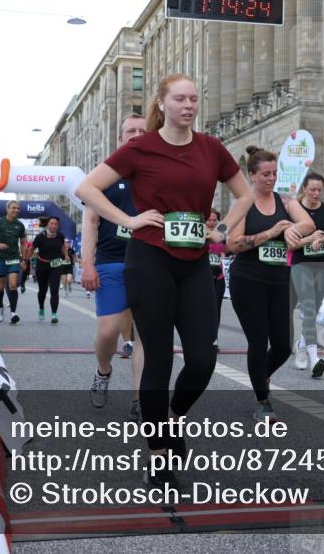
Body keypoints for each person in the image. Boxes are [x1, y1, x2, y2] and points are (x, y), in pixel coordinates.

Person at [76, 74, 254, 489]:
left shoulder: (210, 148)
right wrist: (129, 219)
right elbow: (88, 188)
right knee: (156, 358)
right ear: (163, 103)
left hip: (194, 263)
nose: (189, 105)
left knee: (203, 358)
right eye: (180, 98)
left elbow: (242, 194)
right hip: (149, 259)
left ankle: (172, 418)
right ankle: (157, 455)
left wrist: (223, 229)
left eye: (194, 98)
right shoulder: (140, 147)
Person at [227, 146, 315, 421]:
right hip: (248, 279)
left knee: (282, 345)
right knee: (258, 340)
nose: (271, 178)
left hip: (279, 279)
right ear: (251, 175)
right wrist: (271, 232)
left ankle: (260, 376)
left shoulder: (285, 200)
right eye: (266, 174)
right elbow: (233, 244)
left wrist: (290, 228)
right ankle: (262, 400)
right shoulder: (243, 204)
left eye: (275, 173)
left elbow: (308, 224)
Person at [81, 113, 148, 417]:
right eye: (129, 131)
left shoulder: (158, 176)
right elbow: (91, 222)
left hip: (150, 263)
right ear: (120, 139)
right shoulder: (105, 175)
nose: (135, 135)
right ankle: (103, 370)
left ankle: (139, 398)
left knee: (146, 334)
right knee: (108, 331)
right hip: (111, 263)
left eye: (141, 131)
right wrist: (87, 265)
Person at [288, 172, 324, 378]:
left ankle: (301, 344)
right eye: (312, 190)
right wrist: (308, 239)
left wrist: (323, 238)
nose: (316, 194)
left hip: (322, 264)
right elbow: (290, 242)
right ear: (304, 188)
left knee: (316, 308)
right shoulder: (295, 210)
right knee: (309, 308)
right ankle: (313, 358)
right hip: (300, 263)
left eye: (320, 190)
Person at [0, 200, 28, 324]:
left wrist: (24, 259)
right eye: (13, 208)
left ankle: (13, 313)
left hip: (14, 258)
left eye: (18, 208)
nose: (16, 210)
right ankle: (0, 307)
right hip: (0, 258)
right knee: (0, 287)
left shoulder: (20, 225)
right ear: (7, 209)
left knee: (13, 284)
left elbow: (22, 243)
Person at [30, 216, 70, 325]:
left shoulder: (60, 236)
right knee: (42, 290)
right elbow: (32, 248)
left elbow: (63, 247)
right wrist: (25, 260)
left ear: (58, 226)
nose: (53, 226)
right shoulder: (40, 237)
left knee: (54, 289)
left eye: (55, 224)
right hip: (42, 265)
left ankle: (54, 314)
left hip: (56, 265)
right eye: (51, 223)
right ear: (47, 224)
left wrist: (66, 255)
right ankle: (41, 307)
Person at [205, 208, 227, 342]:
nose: (212, 223)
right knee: (202, 308)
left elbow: (225, 252)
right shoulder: (200, 234)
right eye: (209, 220)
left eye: (214, 220)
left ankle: (214, 339)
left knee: (216, 308)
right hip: (203, 277)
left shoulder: (221, 236)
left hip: (219, 277)